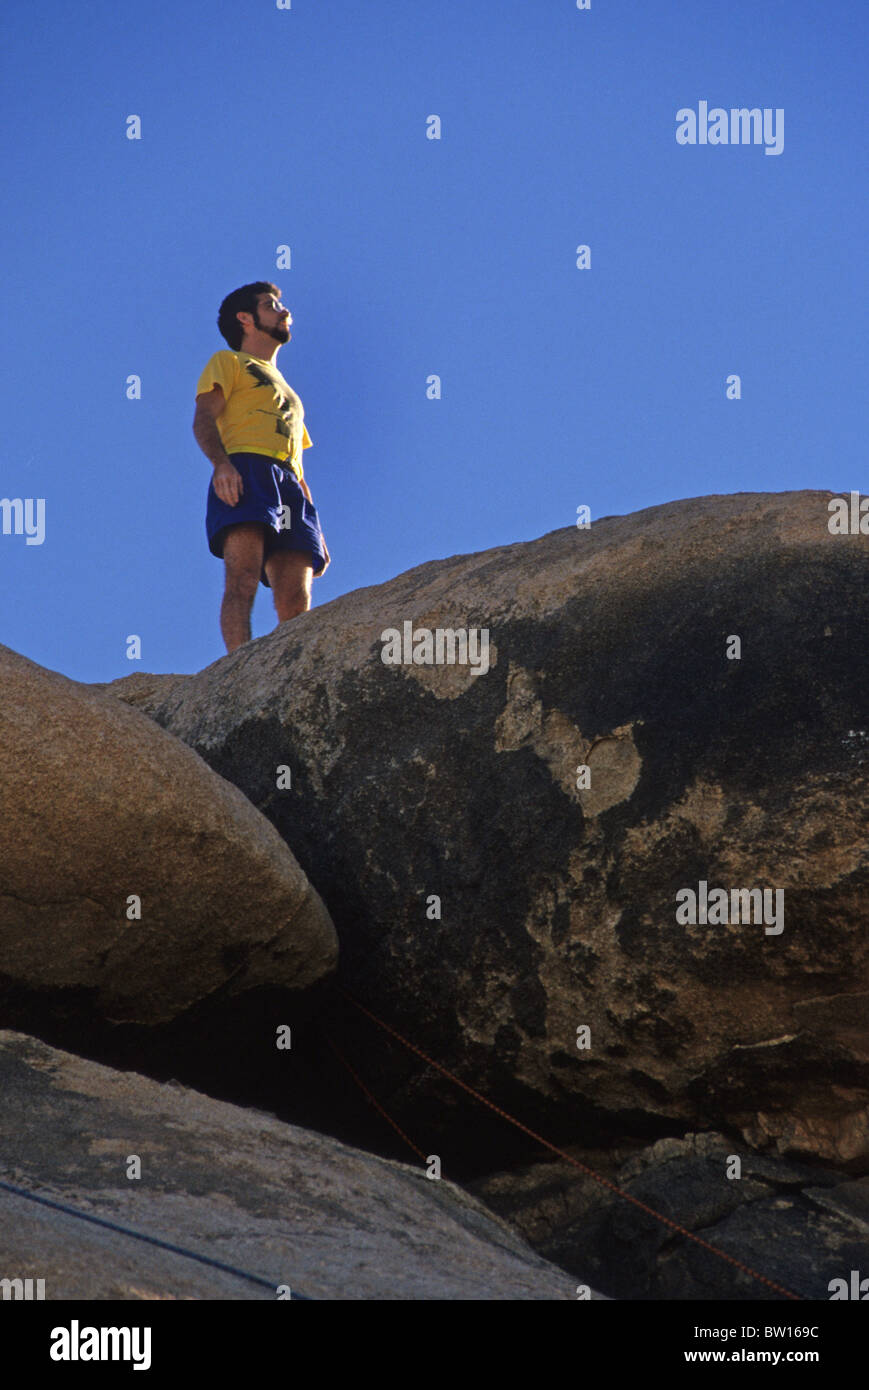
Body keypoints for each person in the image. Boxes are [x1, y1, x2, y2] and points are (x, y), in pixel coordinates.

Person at [193, 281, 330, 653]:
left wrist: (313, 522)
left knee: (296, 597)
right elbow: (203, 417)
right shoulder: (229, 362)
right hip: (246, 468)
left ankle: (292, 668)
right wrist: (221, 465)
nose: (284, 312)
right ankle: (238, 666)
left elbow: (297, 462)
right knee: (242, 578)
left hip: (288, 482)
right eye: (271, 306)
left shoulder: (290, 392)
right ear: (246, 318)